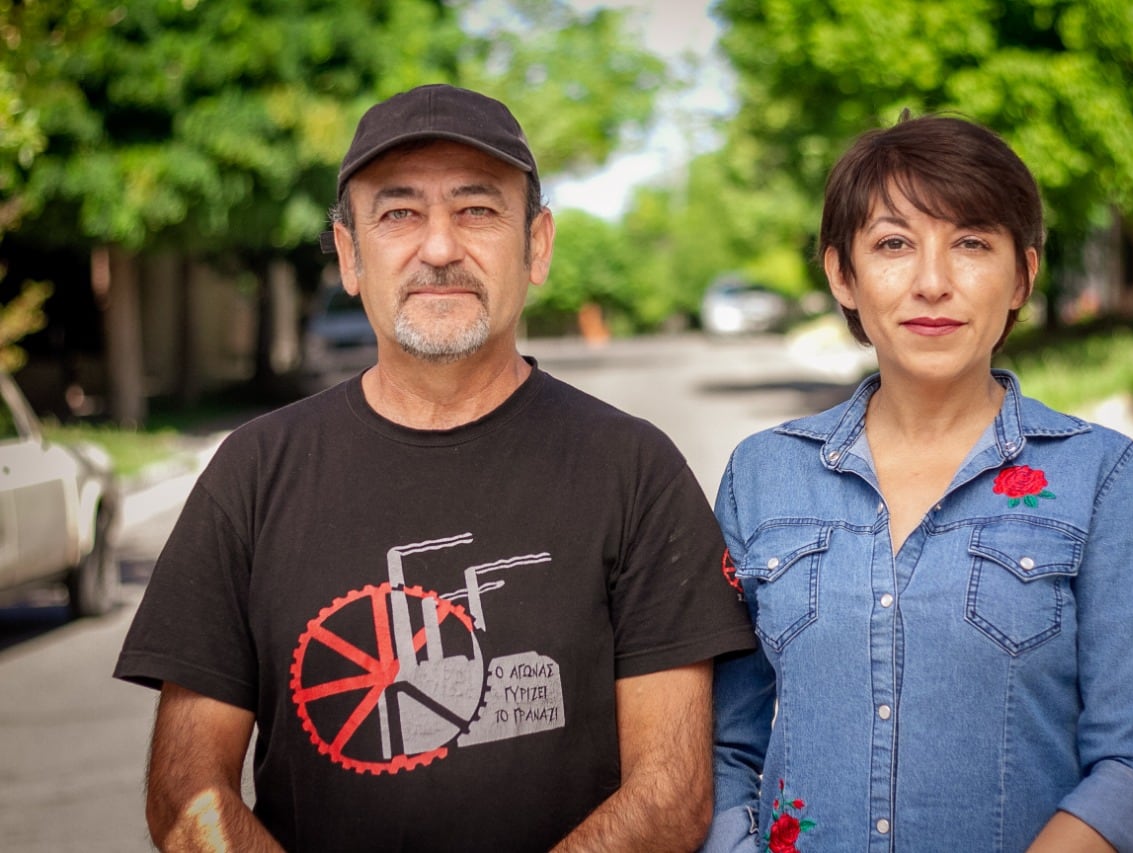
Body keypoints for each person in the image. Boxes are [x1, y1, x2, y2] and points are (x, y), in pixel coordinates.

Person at [114, 83, 755, 852]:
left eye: (478, 210)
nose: (441, 248)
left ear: (537, 245)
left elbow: (672, 792)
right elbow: (188, 797)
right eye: (398, 213)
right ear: (350, 255)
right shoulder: (253, 473)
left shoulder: (634, 468)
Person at [705, 115, 1133, 853]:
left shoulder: (1102, 476)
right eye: (894, 244)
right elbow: (722, 748)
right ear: (843, 274)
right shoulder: (762, 474)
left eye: (971, 243)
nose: (933, 282)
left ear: (1022, 274)